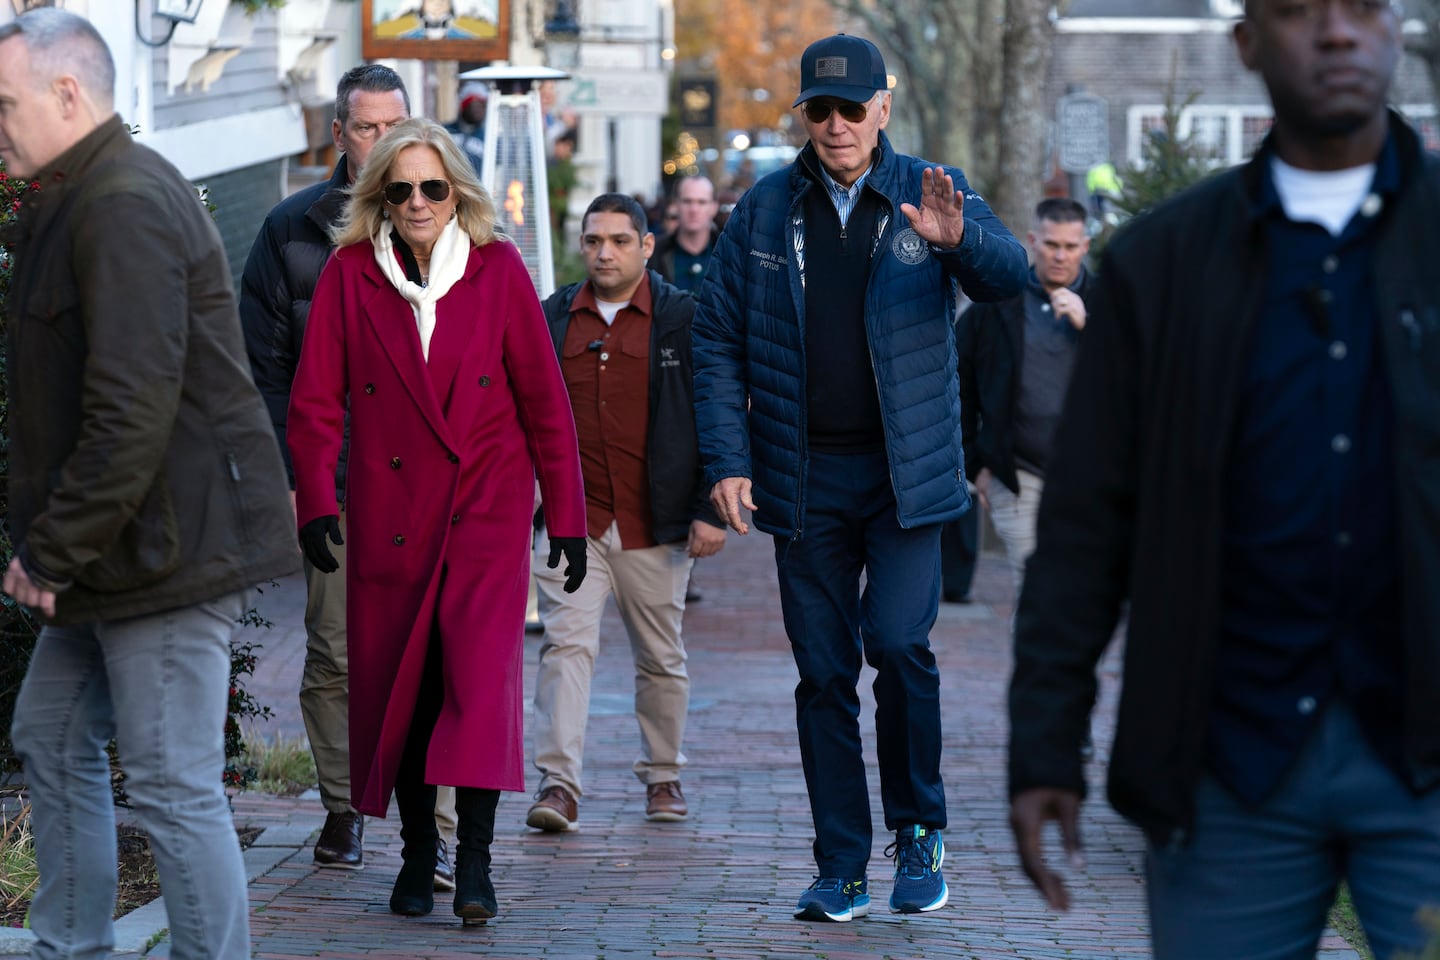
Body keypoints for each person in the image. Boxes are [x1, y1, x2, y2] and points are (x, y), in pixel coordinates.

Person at [1008, 2, 1440, 957]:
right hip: (1224, 765)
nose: (1336, 33)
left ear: (1397, 30)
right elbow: (1085, 525)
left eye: (1363, 7)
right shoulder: (1162, 266)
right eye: (1299, 10)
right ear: (1247, 40)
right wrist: (1045, 741)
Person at [693, 33, 1028, 923]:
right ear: (804, 115)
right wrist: (726, 459)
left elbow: (1011, 274)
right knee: (823, 673)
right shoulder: (765, 211)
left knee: (900, 644)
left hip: (907, 477)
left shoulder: (931, 190)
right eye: (820, 109)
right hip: (803, 481)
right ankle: (840, 865)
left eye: (852, 107)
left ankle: (918, 835)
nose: (836, 124)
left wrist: (959, 245)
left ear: (884, 107)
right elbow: (717, 340)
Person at [0, 9, 299, 957]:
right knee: (50, 736)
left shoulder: (121, 202)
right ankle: (71, 946)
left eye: (4, 103)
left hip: (164, 553)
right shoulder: (81, 196)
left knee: (173, 786)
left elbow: (131, 405)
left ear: (66, 93)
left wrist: (51, 550)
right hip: (121, 557)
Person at [286, 118, 588, 924]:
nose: (417, 203)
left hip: (484, 511)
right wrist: (316, 501)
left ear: (457, 190)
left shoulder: (498, 270)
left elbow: (545, 404)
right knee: (408, 694)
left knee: (479, 689)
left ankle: (480, 865)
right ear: (379, 196)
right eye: (400, 189)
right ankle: (421, 854)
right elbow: (315, 403)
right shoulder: (352, 275)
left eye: (432, 187)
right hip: (391, 519)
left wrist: (565, 515)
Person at [241, 64, 458, 891]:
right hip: (334, 477)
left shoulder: (447, 216)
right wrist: (295, 478)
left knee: (436, 651)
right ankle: (342, 807)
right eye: (365, 127)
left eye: (394, 123)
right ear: (338, 135)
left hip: (431, 481)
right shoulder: (291, 230)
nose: (380, 140)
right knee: (334, 649)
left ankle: (435, 830)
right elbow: (262, 370)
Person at [525, 193, 727, 833]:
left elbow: (713, 418)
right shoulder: (553, 317)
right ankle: (559, 786)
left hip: (652, 522)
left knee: (660, 655)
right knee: (565, 647)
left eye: (618, 240)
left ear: (646, 245)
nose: (604, 252)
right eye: (593, 241)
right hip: (571, 523)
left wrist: (709, 509)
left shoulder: (682, 318)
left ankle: (663, 775)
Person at [957, 197, 1094, 589]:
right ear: (1034, 241)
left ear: (1084, 246)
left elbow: (1137, 375)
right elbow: (958, 380)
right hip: (1018, 475)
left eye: (1070, 247)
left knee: (1082, 595)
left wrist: (1090, 327)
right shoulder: (997, 303)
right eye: (1051, 245)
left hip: (1090, 478)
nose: (1060, 256)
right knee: (1038, 586)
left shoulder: (1107, 303)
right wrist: (975, 466)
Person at [653, 175, 719, 294]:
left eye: (702, 202)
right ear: (676, 205)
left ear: (714, 207)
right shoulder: (654, 252)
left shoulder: (730, 253)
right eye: (687, 201)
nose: (694, 209)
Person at [447, 81, 487, 177]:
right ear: (463, 106)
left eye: (482, 105)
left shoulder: (489, 136)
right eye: (474, 104)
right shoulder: (445, 131)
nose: (478, 110)